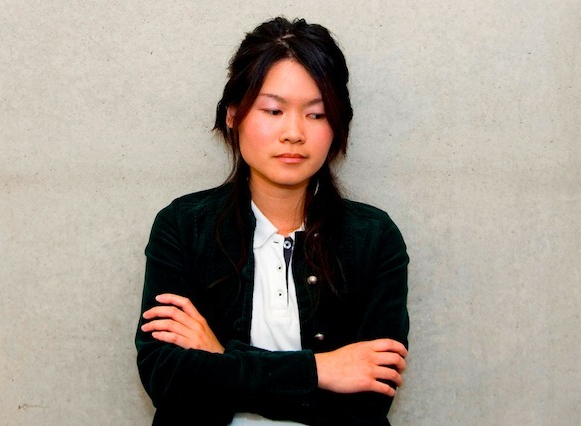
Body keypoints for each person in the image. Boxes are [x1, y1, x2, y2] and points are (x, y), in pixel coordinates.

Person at [135, 17, 410, 425]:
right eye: (273, 110)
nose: (294, 132)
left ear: (337, 125)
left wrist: (221, 359)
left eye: (315, 114)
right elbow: (169, 381)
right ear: (233, 114)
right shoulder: (182, 226)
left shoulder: (373, 238)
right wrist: (322, 371)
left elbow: (364, 405)